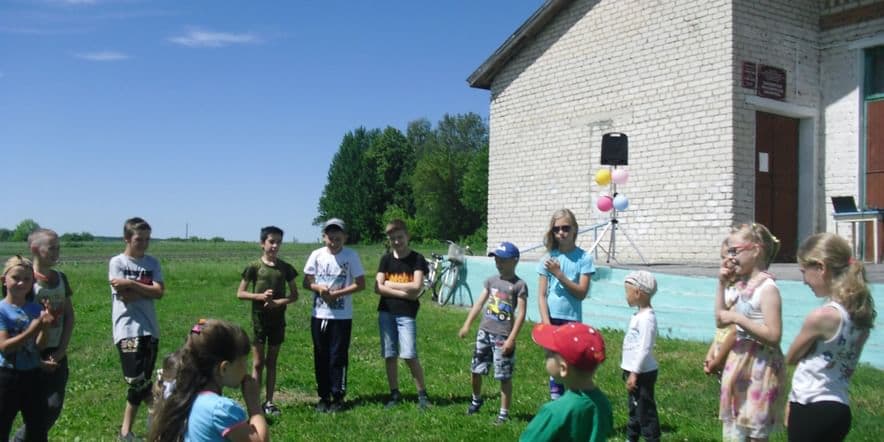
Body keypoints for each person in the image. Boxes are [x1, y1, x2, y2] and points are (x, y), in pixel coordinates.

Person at [785, 233, 876, 442]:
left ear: (820, 267)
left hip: (812, 406)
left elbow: (791, 357)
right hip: (839, 407)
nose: (803, 281)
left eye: (804, 272)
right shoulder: (859, 318)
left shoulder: (823, 317)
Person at [715, 222, 783, 441]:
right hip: (738, 361)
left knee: (754, 428)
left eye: (735, 251)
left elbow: (773, 336)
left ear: (755, 250)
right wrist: (721, 285)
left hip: (760, 365)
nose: (731, 257)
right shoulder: (740, 287)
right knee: (734, 427)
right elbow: (720, 320)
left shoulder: (767, 289)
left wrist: (737, 318)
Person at [147, 319, 269, 442]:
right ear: (224, 368)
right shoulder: (220, 409)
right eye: (243, 362)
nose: (246, 369)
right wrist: (254, 405)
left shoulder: (186, 395)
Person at [13, 229, 75, 442]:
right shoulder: (25, 282)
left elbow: (69, 316)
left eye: (58, 247)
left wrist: (61, 350)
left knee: (52, 406)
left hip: (56, 353)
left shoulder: (61, 278)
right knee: (33, 409)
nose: (57, 252)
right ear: (35, 250)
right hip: (29, 355)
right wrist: (36, 359)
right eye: (52, 247)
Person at [458, 241, 528, 424]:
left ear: (514, 261)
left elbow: (521, 314)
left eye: (503, 259)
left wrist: (511, 339)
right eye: (496, 259)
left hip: (503, 336)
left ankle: (503, 414)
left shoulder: (519, 285)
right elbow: (479, 304)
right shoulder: (491, 281)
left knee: (503, 376)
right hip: (484, 332)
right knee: (476, 369)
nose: (498, 263)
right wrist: (467, 325)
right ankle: (476, 400)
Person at [109, 217, 165, 441]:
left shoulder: (153, 263)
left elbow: (159, 293)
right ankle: (159, 411)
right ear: (127, 238)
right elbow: (125, 297)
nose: (144, 244)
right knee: (136, 379)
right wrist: (146, 288)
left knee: (139, 381)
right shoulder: (118, 263)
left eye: (147, 239)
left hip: (150, 329)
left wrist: (131, 283)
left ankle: (125, 433)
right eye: (139, 239)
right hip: (126, 329)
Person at [303, 218, 365, 413]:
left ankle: (338, 396)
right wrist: (318, 288)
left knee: (337, 356)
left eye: (338, 237)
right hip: (319, 314)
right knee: (320, 355)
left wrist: (338, 294)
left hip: (341, 316)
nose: (333, 241)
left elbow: (361, 283)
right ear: (324, 237)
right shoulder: (316, 255)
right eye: (330, 237)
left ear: (344, 237)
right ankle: (323, 396)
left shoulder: (351, 256)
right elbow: (306, 282)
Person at [236, 225, 299, 417]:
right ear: (262, 243)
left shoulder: (286, 268)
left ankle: (269, 402)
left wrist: (278, 302)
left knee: (272, 362)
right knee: (257, 363)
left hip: (277, 321)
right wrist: (261, 297)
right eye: (271, 242)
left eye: (279, 242)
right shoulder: (254, 267)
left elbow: (294, 295)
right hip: (259, 322)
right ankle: (254, 403)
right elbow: (240, 293)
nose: (275, 246)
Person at [537, 208, 595, 399]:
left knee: (571, 362)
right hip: (552, 319)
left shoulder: (584, 258)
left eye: (565, 228)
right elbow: (542, 295)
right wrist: (546, 323)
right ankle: (556, 401)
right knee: (554, 362)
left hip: (572, 320)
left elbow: (581, 293)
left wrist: (560, 275)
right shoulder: (548, 258)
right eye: (556, 229)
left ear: (575, 230)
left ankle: (574, 400)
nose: (561, 232)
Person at [519, 322, 613, 441]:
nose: (545, 359)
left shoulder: (554, 412)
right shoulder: (603, 403)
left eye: (548, 356)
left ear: (563, 368)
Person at [374, 219, 429, 409]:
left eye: (400, 237)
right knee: (390, 354)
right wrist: (405, 294)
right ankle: (394, 393)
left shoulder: (417, 259)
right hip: (386, 312)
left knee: (409, 354)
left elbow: (416, 286)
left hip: (407, 314)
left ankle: (422, 394)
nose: (397, 241)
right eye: (392, 238)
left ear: (407, 236)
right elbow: (377, 287)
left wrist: (390, 284)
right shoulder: (386, 259)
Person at [0, 256, 55, 442]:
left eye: (27, 279)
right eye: (16, 277)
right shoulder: (2, 310)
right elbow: (5, 347)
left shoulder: (35, 308)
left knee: (38, 428)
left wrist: (45, 327)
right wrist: (32, 329)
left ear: (33, 282)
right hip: (7, 375)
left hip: (32, 374)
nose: (21, 283)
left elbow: (39, 345)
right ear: (4, 280)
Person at [620, 270, 661, 442]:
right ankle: (632, 437)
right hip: (633, 372)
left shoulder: (647, 319)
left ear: (638, 292)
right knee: (635, 408)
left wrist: (634, 373)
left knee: (645, 411)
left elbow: (644, 347)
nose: (625, 296)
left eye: (627, 292)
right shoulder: (638, 315)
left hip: (642, 374)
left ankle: (651, 438)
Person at [703, 239, 738, 377]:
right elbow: (720, 329)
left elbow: (735, 332)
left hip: (733, 358)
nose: (724, 263)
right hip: (721, 357)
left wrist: (718, 360)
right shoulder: (728, 289)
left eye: (728, 258)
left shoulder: (742, 293)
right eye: (722, 258)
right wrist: (711, 354)